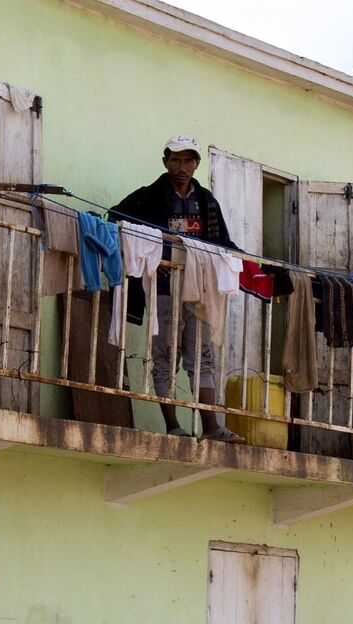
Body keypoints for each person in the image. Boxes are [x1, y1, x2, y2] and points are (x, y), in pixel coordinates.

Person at [111, 134, 243, 441]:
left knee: (202, 358)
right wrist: (154, 238)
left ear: (197, 163)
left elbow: (223, 242)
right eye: (175, 160)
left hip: (200, 290)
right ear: (165, 162)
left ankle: (212, 427)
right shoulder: (151, 195)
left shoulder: (207, 201)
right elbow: (116, 216)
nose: (181, 167)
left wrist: (246, 262)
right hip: (164, 286)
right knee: (165, 356)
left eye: (187, 160)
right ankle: (173, 426)